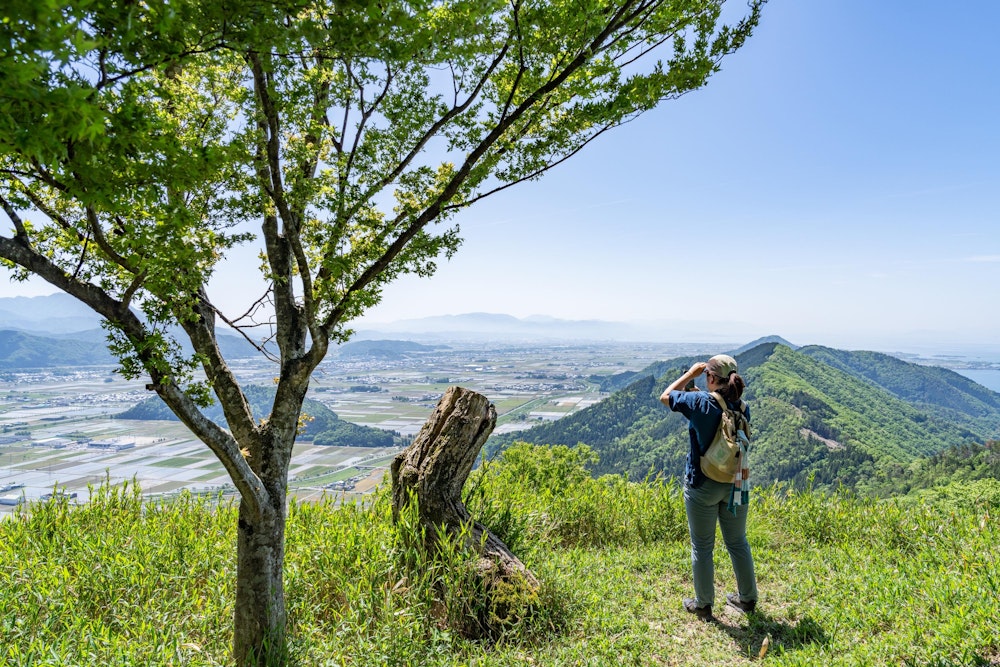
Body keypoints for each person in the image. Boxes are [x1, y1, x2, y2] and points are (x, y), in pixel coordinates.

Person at [659, 354, 758, 620]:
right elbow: (717, 408)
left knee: (702, 546)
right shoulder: (743, 407)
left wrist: (690, 374)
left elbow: (666, 396)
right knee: (738, 542)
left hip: (702, 484)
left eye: (706, 375)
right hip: (736, 483)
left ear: (711, 378)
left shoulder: (700, 402)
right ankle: (747, 598)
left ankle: (703, 604)